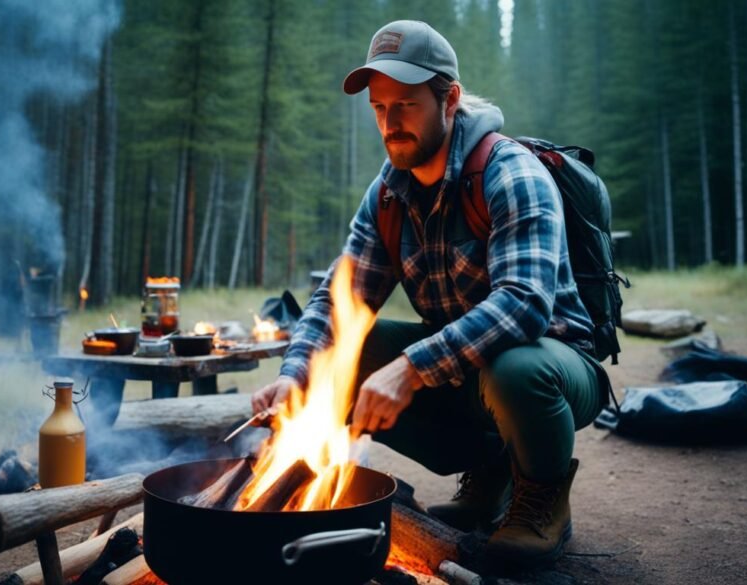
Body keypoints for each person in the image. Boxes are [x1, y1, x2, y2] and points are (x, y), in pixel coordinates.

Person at [252, 20, 609, 566]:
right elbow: (336, 300)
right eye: (379, 108)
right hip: (464, 373)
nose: (390, 124)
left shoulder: (510, 173)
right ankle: (490, 474)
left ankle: (541, 499)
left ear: (450, 100)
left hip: (555, 370)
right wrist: (292, 375)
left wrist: (410, 368)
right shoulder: (388, 196)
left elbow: (525, 305)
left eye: (406, 105)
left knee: (514, 368)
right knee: (349, 351)